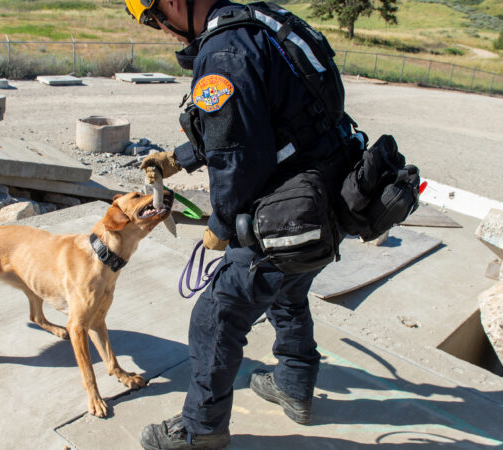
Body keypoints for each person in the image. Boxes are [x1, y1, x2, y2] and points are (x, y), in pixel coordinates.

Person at [125, 0, 354, 448]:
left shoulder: (223, 51)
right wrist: (177, 159)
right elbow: (263, 120)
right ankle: (294, 382)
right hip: (328, 199)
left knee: (216, 317)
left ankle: (201, 430)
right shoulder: (262, 22)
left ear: (173, 3)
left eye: (153, 17)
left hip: (287, 211)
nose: (160, 28)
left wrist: (223, 222)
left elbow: (238, 154)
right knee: (287, 290)